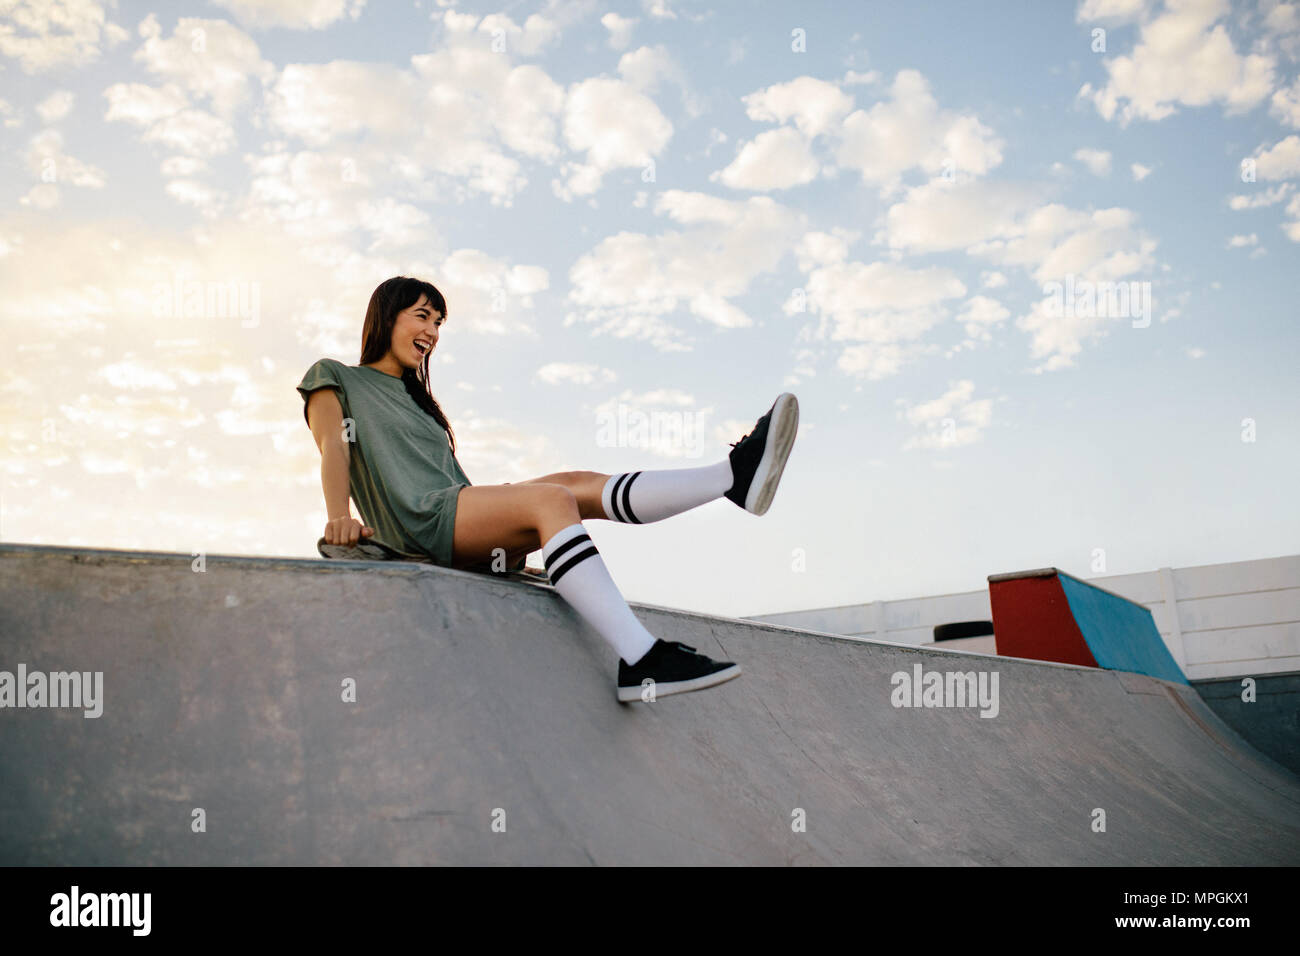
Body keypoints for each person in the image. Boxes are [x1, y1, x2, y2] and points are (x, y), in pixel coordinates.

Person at [297, 276, 799, 703]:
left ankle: (730, 479)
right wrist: (338, 514)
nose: (431, 332)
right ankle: (641, 658)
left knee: (571, 483)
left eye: (438, 324)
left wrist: (508, 548)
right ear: (386, 316)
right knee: (550, 500)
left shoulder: (420, 403)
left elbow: (456, 484)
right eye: (422, 316)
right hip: (421, 525)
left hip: (454, 519)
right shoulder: (335, 377)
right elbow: (335, 448)